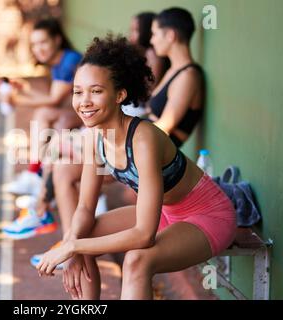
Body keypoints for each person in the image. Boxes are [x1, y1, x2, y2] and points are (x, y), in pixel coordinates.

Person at [35, 33, 236, 300]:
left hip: (206, 217)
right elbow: (84, 207)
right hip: (166, 214)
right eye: (78, 91)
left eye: (96, 91)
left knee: (137, 261)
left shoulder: (143, 139)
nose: (84, 101)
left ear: (119, 94)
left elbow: (143, 235)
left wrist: (72, 245)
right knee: (83, 240)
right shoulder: (95, 138)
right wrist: (73, 246)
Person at [2, 18, 83, 239]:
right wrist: (25, 91)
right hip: (79, 113)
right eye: (34, 44)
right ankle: (36, 175)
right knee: (46, 116)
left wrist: (17, 99)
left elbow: (54, 100)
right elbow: (52, 100)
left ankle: (38, 179)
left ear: (57, 40)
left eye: (43, 42)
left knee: (52, 118)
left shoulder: (70, 61)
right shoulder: (58, 62)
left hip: (93, 115)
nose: (38, 49)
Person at [146, 7, 205, 147]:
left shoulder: (189, 76)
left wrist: (124, 135)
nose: (152, 40)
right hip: (144, 143)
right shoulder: (173, 70)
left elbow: (163, 128)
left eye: (154, 34)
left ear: (170, 35)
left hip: (156, 153)